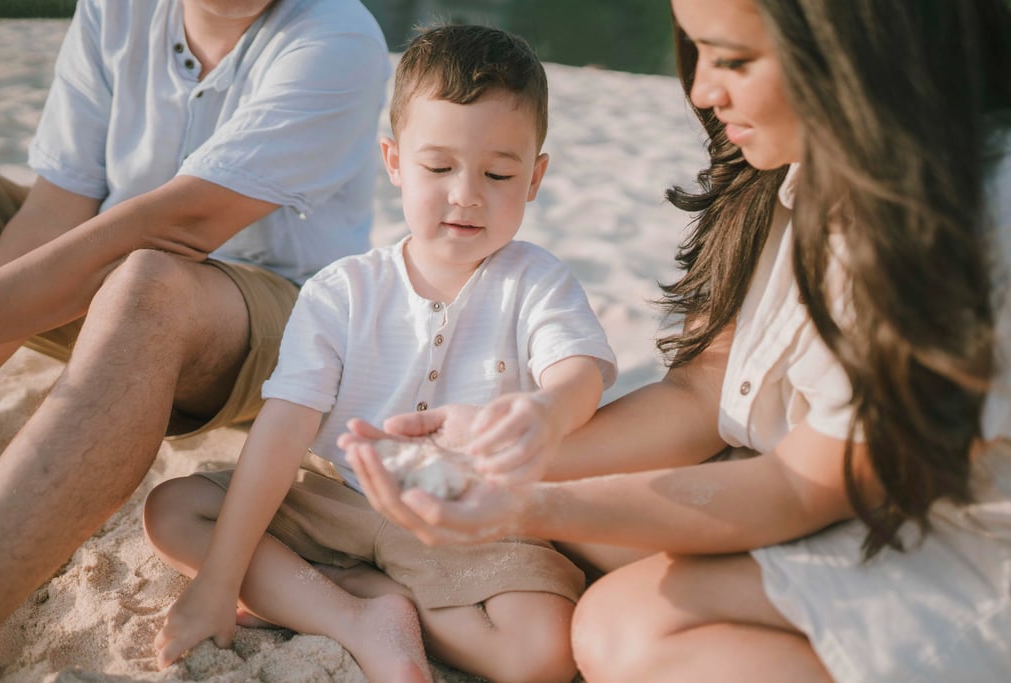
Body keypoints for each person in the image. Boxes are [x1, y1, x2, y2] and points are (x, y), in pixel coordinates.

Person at [341, 1, 1011, 681]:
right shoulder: (776, 169)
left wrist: (528, 500)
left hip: (961, 550)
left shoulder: (971, 221)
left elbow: (798, 488)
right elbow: (699, 391)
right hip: (824, 495)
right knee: (584, 523)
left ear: (854, 48)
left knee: (622, 627)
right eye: (696, 50)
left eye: (734, 59)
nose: (700, 90)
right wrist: (508, 454)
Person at [143, 24, 617, 683]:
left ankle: (353, 594)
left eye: (499, 172)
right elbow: (283, 428)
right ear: (393, 161)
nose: (466, 193)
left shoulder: (534, 280)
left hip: (460, 516)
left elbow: (578, 370)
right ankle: (357, 616)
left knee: (536, 654)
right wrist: (219, 580)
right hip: (338, 499)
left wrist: (547, 410)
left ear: (535, 176)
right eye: (439, 166)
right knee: (172, 510)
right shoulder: (344, 289)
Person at [0, 0, 389, 636]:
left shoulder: (337, 35)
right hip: (112, 276)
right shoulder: (113, 11)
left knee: (149, 283)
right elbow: (56, 208)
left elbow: (185, 223)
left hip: (281, 320)